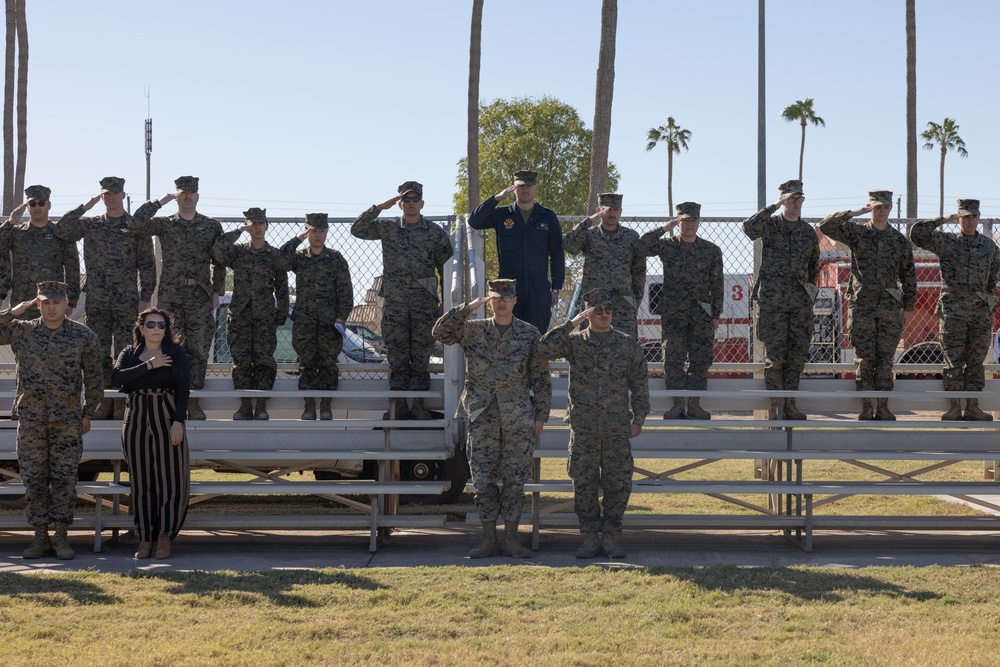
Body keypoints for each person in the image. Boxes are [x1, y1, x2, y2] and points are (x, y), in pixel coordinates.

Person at [433, 279, 551, 558]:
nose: (501, 302)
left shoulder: (528, 333)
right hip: (482, 414)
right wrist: (467, 307)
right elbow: (440, 332)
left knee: (515, 480)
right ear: (490, 300)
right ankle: (488, 539)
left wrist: (541, 415)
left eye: (506, 298)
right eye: (496, 297)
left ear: (514, 301)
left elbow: (540, 377)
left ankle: (510, 539)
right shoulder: (473, 329)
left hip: (518, 415)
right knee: (483, 480)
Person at [537, 288, 649, 558]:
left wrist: (639, 418)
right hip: (584, 428)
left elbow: (640, 384)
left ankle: (610, 537)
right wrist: (571, 323)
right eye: (597, 310)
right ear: (588, 313)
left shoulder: (626, 344)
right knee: (584, 484)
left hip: (616, 429)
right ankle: (589, 537)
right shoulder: (575, 342)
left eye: (608, 310)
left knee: (618, 484)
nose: (604, 315)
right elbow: (543, 349)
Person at [0, 281, 102, 560]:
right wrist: (13, 311)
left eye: (56, 302)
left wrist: (88, 411)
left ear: (66, 303)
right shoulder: (23, 331)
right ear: (38, 304)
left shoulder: (83, 336)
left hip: (67, 420)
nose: (51, 307)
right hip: (32, 418)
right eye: (45, 302)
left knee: (64, 478)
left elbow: (94, 377)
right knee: (33, 478)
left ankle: (61, 538)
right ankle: (40, 537)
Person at [54, 176, 156, 420]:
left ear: (122, 194)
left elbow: (147, 264)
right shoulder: (91, 224)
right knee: (98, 352)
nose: (109, 198)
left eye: (113, 193)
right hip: (98, 298)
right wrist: (85, 206)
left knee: (127, 352)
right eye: (104, 194)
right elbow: (62, 230)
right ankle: (101, 404)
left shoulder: (135, 226)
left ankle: (122, 405)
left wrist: (145, 297)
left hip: (126, 300)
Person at [351, 181, 454, 420]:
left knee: (420, 357)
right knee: (397, 357)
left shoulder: (435, 232)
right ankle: (399, 406)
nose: (410, 203)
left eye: (414, 199)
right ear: (399, 203)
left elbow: (445, 267)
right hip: (395, 303)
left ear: (422, 203)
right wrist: (380, 207)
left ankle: (418, 405)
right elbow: (357, 229)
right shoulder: (388, 228)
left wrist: (445, 302)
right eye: (405, 199)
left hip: (424, 303)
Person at [129, 176, 225, 420]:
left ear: (198, 196)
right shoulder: (164, 224)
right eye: (182, 193)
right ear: (177, 196)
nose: (187, 197)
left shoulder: (211, 226)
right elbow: (136, 223)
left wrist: (218, 291)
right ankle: (172, 399)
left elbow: (220, 259)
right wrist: (160, 201)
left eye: (191, 193)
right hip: (171, 294)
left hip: (200, 296)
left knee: (199, 349)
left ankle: (193, 402)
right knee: (171, 348)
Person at [819, 190, 917, 420]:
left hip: (889, 309)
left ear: (891, 208)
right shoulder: (857, 232)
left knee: (884, 360)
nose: (881, 211)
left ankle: (882, 407)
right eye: (876, 206)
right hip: (862, 305)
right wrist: (856, 212)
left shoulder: (899, 241)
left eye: (885, 207)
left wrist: (908, 307)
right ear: (870, 207)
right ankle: (866, 407)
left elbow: (909, 276)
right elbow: (826, 226)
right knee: (864, 358)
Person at [111, 308, 191, 559]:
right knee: (142, 480)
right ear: (141, 327)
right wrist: (149, 365)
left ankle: (164, 536)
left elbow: (184, 389)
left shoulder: (175, 352)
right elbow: (117, 379)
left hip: (165, 416)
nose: (156, 329)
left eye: (161, 325)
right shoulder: (129, 353)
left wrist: (178, 422)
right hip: (135, 418)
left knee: (170, 478)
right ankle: (145, 537)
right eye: (151, 324)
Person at [910, 199, 1000, 420]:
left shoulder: (989, 247)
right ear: (959, 218)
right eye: (966, 216)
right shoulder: (946, 241)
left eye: (974, 216)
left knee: (976, 361)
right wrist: (943, 219)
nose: (970, 221)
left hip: (978, 312)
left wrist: (990, 309)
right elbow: (917, 234)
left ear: (979, 217)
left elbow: (992, 280)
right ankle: (953, 407)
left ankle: (972, 407)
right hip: (953, 312)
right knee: (953, 361)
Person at [636, 201, 723, 419]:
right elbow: (642, 246)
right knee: (673, 359)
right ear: (679, 222)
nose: (689, 225)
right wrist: (665, 228)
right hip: (673, 312)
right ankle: (677, 405)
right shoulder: (668, 245)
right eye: (684, 221)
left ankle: (694, 404)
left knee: (700, 359)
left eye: (693, 220)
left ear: (699, 222)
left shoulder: (711, 250)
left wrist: (715, 314)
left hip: (701, 313)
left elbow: (717, 284)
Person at [743, 179, 820, 420]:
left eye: (799, 198)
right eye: (791, 198)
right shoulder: (771, 225)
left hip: (798, 302)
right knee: (775, 358)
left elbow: (813, 265)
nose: (796, 203)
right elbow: (748, 228)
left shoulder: (808, 232)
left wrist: (808, 293)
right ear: (784, 200)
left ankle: (790, 406)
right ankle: (775, 406)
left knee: (796, 357)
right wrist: (774, 205)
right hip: (773, 300)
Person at [212, 207, 290, 420]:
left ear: (266, 226)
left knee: (264, 360)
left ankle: (261, 406)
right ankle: (245, 405)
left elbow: (282, 288)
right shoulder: (238, 253)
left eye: (260, 223)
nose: (257, 227)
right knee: (242, 361)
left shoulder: (274, 255)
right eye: (252, 223)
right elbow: (218, 251)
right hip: (240, 315)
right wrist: (238, 230)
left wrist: (281, 314)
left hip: (265, 315)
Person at [468, 169, 565, 333]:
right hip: (508, 292)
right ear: (514, 188)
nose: (525, 190)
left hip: (538, 290)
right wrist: (497, 198)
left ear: (536, 188)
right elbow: (475, 221)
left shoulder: (547, 216)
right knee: (507, 340)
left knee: (536, 339)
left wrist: (555, 288)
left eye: (528, 186)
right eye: (520, 186)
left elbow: (556, 254)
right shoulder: (502, 214)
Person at [280, 213, 354, 420]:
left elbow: (346, 290)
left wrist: (342, 316)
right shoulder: (300, 257)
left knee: (328, 364)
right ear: (307, 232)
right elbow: (281, 260)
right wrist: (297, 239)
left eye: (322, 231)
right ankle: (309, 406)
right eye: (313, 231)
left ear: (326, 232)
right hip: (305, 321)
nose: (318, 235)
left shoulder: (335, 258)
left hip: (329, 322)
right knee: (307, 363)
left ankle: (326, 407)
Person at [562, 193, 645, 340]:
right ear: (599, 210)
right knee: (589, 346)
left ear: (620, 211)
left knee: (626, 347)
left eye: (615, 209)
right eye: (607, 209)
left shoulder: (631, 237)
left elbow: (639, 271)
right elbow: (569, 245)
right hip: (594, 302)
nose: (612, 213)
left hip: (623, 303)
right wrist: (588, 222)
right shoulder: (589, 235)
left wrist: (635, 301)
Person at [0, 185, 81, 321]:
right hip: (22, 302)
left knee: (54, 341)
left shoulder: (60, 233)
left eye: (41, 203)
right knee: (21, 340)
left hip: (52, 302)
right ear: (28, 207)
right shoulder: (16, 232)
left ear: (49, 205)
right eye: (32, 204)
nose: (37, 207)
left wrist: (71, 301)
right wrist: (10, 222)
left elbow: (72, 267)